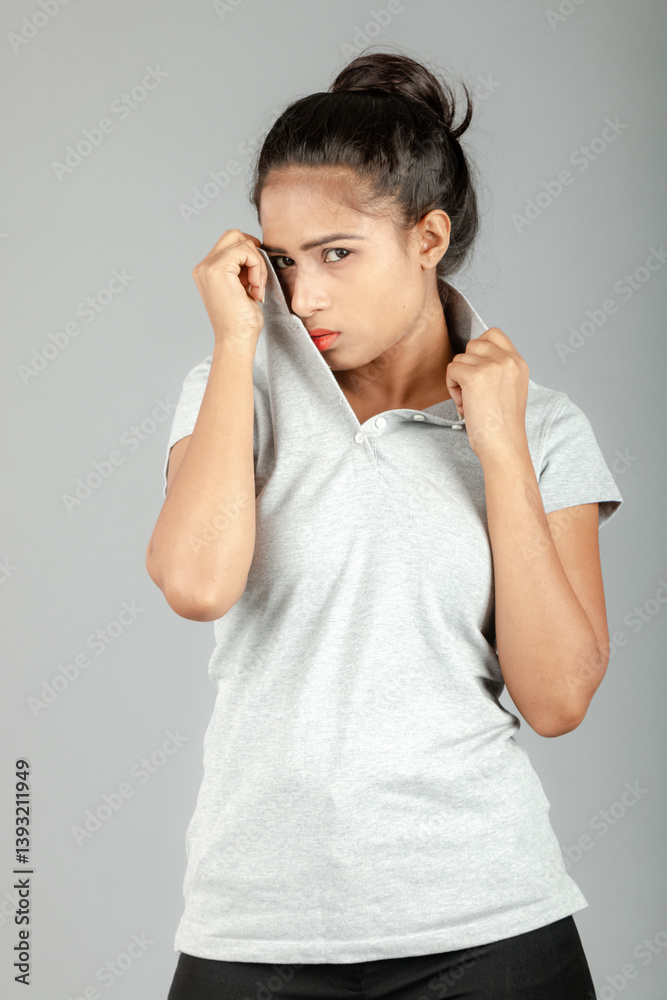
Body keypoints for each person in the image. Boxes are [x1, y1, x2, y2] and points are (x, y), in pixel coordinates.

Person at [147, 48, 623, 1000]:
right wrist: (235, 340)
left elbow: (558, 698)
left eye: (336, 253)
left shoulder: (541, 426)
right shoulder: (231, 390)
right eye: (282, 261)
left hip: (487, 933)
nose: (305, 294)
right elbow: (196, 585)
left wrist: (497, 449)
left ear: (427, 237)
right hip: (257, 930)